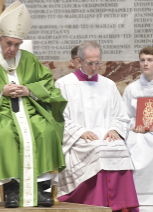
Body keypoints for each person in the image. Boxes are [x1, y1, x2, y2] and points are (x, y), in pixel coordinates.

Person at [0, 1, 67, 208]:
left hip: (30, 110)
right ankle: (12, 189)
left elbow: (48, 85)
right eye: (9, 43)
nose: (12, 49)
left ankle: (39, 188)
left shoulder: (28, 59)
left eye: (17, 45)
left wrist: (30, 90)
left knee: (45, 129)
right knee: (4, 134)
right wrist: (0, 90)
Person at [55, 41, 139, 212]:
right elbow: (59, 118)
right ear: (79, 61)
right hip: (79, 140)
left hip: (105, 135)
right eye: (90, 63)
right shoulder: (64, 84)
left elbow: (120, 115)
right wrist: (80, 132)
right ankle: (96, 205)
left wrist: (115, 129)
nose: (94, 67)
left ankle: (122, 206)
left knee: (119, 147)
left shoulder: (108, 85)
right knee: (99, 149)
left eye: (97, 62)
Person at [123, 46, 153, 207]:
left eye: (150, 60)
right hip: (137, 132)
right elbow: (124, 116)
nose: (145, 64)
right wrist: (134, 125)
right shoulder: (132, 88)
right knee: (131, 149)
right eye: (142, 60)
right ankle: (135, 200)